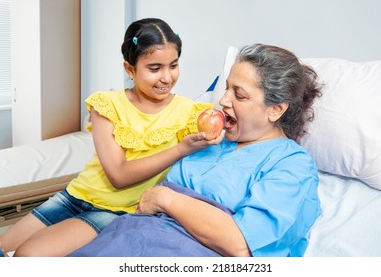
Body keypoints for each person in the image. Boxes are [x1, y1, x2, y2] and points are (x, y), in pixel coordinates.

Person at [68, 43, 323, 257]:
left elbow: (240, 243)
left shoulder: (292, 164)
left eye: (240, 95)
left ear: (276, 109)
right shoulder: (210, 141)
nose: (223, 101)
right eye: (226, 88)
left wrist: (164, 198)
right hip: (126, 240)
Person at [0, 18, 221, 257]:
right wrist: (180, 149)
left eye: (173, 65)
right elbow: (118, 175)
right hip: (75, 195)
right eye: (155, 68)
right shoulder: (106, 104)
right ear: (130, 69)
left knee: (28, 256)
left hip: (115, 211)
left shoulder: (190, 112)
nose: (167, 77)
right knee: (3, 247)